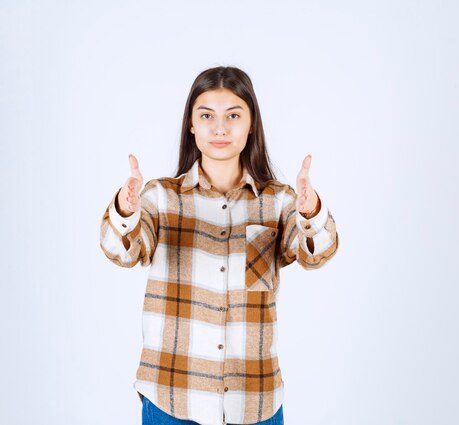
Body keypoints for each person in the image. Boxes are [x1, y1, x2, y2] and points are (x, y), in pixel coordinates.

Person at [99, 66, 339, 425]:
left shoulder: (277, 201)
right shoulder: (162, 197)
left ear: (251, 124)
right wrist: (125, 210)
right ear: (191, 124)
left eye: (233, 115)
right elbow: (121, 249)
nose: (220, 128)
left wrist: (311, 209)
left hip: (255, 404)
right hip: (172, 400)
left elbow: (317, 252)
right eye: (207, 115)